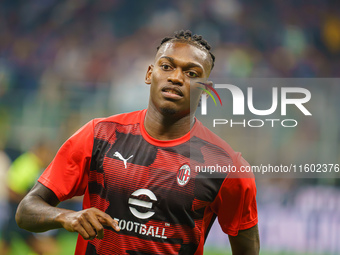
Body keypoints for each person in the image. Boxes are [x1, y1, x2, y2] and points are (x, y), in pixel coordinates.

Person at [16, 30, 259, 255]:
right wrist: (66, 217)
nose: (176, 77)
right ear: (149, 73)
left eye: (191, 73)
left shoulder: (228, 166)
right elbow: (27, 210)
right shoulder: (98, 135)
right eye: (166, 66)